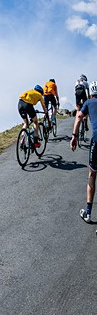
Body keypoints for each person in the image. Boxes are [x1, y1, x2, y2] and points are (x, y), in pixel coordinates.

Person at [71, 81, 97, 224]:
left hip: (96, 141)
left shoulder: (88, 102)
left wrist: (74, 136)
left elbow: (79, 116)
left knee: (92, 174)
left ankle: (88, 213)